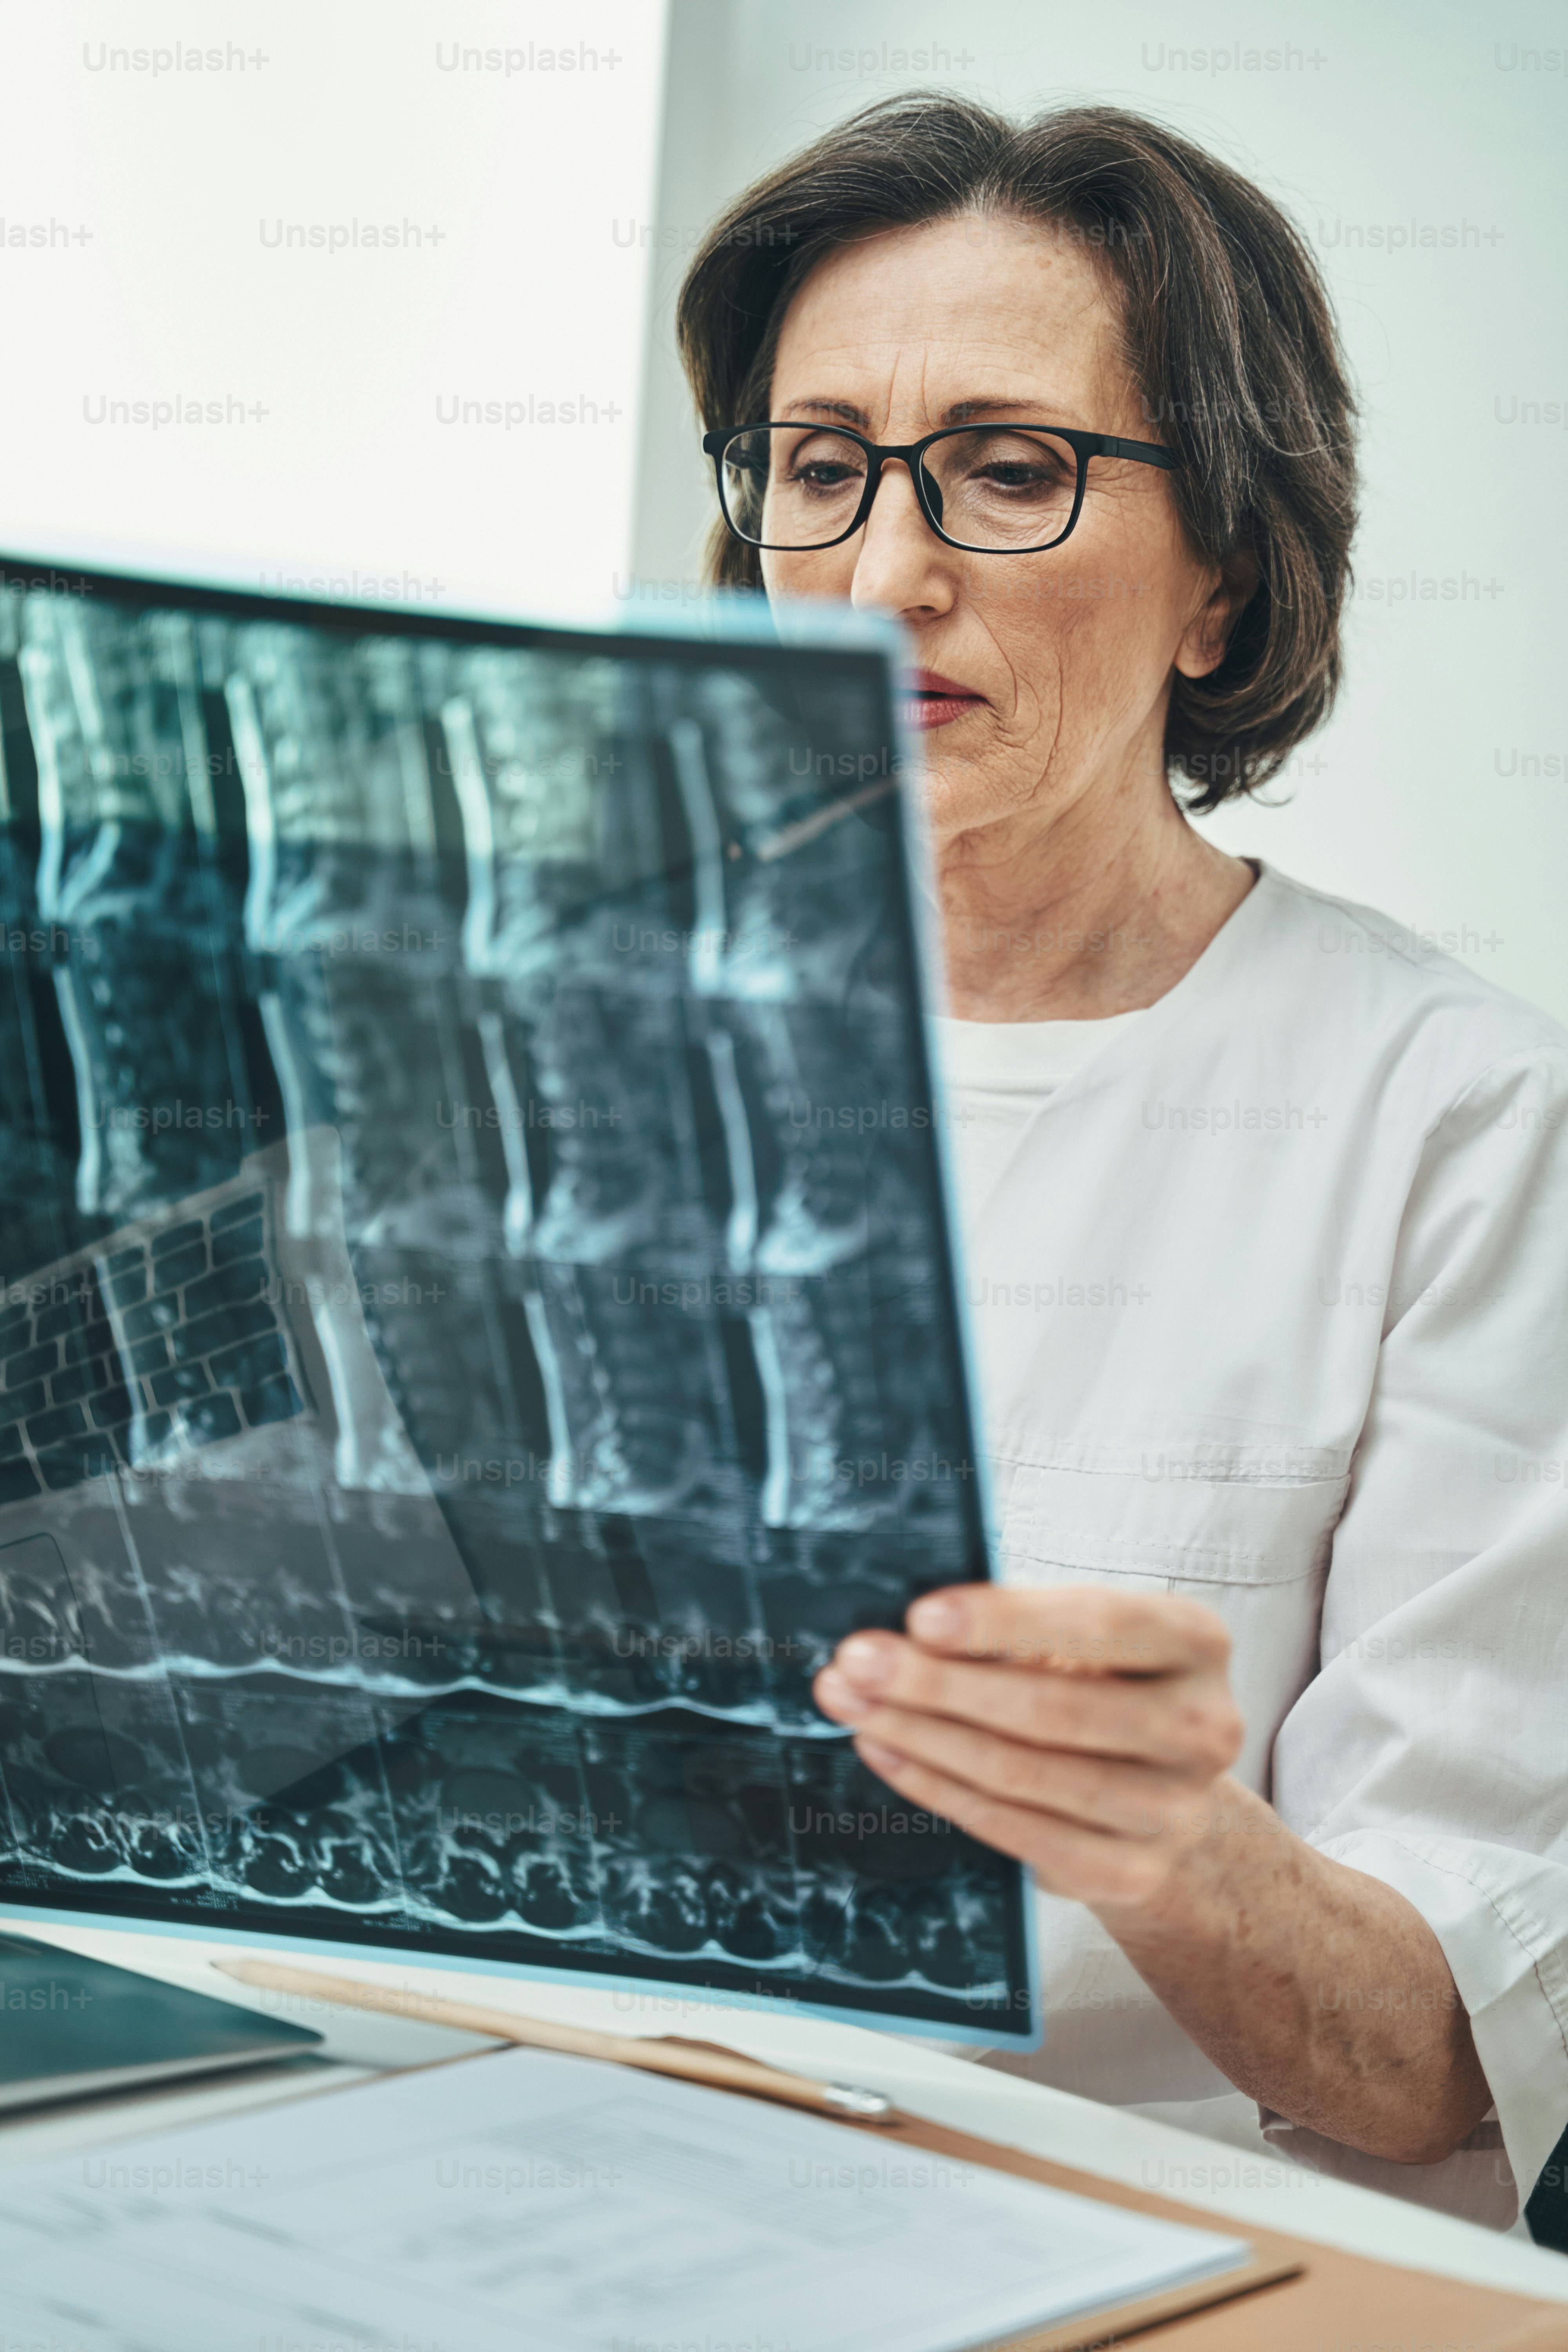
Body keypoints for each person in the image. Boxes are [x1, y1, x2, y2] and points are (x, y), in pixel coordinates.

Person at [676, 94, 1568, 2229]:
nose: (884, 578)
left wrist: (1175, 1842)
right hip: (576, 2148)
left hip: (1137, 2228)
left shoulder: (1462, 1120)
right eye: (821, 469)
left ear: (1225, 583)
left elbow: (1436, 2060)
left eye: (1009, 471)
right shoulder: (599, 1033)